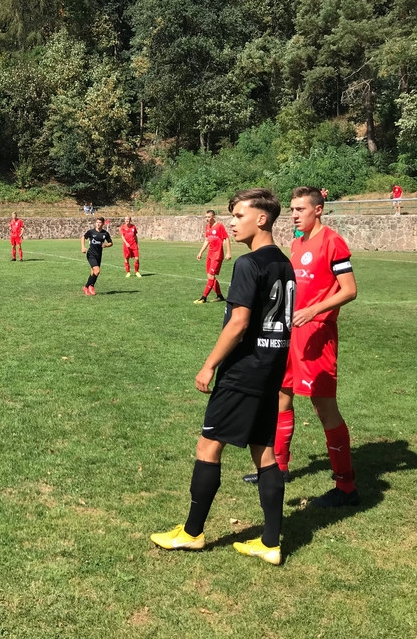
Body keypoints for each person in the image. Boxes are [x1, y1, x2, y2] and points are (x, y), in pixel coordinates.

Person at [151, 188, 294, 565]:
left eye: (239, 215)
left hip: (243, 371)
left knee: (208, 447)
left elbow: (239, 323)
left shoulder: (248, 264)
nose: (232, 223)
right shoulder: (284, 263)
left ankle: (191, 533)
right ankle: (270, 542)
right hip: (271, 368)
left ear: (261, 219)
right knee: (264, 452)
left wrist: (209, 364)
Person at [244, 186, 359, 507]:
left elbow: (349, 290)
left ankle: (346, 487)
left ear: (318, 210)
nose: (294, 215)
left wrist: (314, 310)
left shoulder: (332, 242)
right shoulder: (297, 243)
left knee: (324, 409)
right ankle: (278, 468)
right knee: (282, 397)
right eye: (292, 209)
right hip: (291, 334)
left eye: (300, 209)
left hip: (318, 336)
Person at [195, 210, 232, 303]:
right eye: (206, 217)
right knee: (210, 276)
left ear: (213, 217)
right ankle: (220, 296)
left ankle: (203, 297)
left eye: (209, 217)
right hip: (210, 254)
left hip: (217, 254)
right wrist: (200, 252)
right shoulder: (208, 227)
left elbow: (226, 238)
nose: (207, 219)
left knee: (211, 276)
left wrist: (228, 252)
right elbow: (207, 240)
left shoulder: (219, 226)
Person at [81, 217, 113, 296]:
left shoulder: (105, 233)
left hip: (99, 255)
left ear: (103, 224)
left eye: (100, 222)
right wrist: (83, 247)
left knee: (93, 272)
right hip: (91, 254)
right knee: (97, 271)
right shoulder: (91, 232)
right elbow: (83, 237)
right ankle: (90, 286)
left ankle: (86, 287)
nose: (98, 224)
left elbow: (111, 243)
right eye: (97, 222)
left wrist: (106, 245)